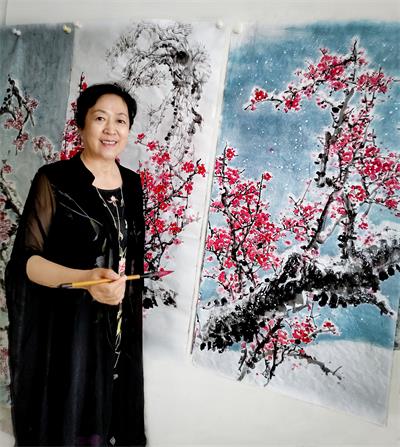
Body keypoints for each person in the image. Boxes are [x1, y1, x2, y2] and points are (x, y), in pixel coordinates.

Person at [5, 83, 146, 446]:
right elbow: (27, 263)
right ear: (81, 124)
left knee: (111, 420)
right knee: (69, 424)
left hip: (117, 332)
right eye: (100, 118)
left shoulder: (132, 185)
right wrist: (86, 278)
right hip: (68, 333)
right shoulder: (54, 180)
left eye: (121, 120)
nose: (111, 129)